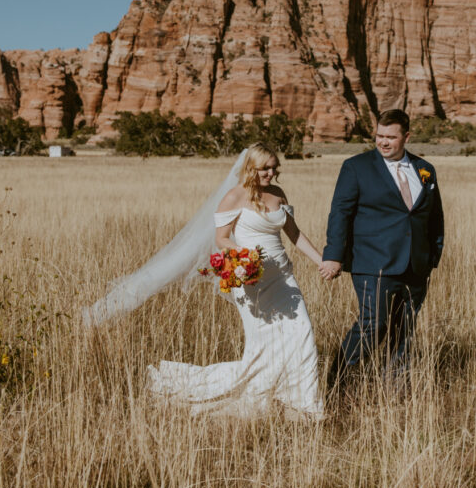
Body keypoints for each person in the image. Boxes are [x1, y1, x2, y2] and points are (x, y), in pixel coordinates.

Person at [83, 143, 325, 420]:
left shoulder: (278, 194)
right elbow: (221, 237)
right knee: (264, 347)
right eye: (264, 168)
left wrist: (321, 261)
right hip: (251, 280)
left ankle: (304, 404)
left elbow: (294, 234)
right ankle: (264, 397)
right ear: (250, 168)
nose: (271, 173)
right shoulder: (234, 197)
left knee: (302, 331)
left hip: (283, 279)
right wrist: (242, 258)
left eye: (274, 167)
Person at [319, 109, 444, 396]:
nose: (383, 142)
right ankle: (337, 385)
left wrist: (433, 255)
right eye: (379, 136)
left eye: (391, 137)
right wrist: (333, 255)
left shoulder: (425, 168)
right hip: (373, 262)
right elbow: (340, 213)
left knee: (404, 329)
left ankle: (396, 391)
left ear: (406, 137)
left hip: (416, 265)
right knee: (372, 324)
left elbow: (434, 215)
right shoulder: (356, 167)